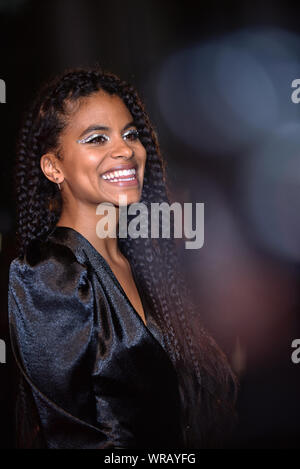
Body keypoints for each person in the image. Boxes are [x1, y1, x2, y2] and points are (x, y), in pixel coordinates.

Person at [8, 67, 237, 449]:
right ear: (53, 167)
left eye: (130, 134)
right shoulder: (50, 273)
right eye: (97, 138)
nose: (125, 150)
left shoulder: (144, 262)